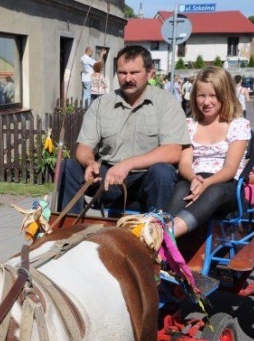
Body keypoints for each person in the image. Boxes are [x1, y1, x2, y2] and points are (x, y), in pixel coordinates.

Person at [59, 45, 189, 214]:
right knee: (69, 167)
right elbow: (84, 147)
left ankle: (158, 227)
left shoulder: (167, 103)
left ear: (150, 73)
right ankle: (69, 227)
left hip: (146, 180)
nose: (128, 79)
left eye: (134, 72)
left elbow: (173, 151)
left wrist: (127, 164)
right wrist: (90, 163)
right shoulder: (101, 104)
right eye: (122, 73)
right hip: (109, 177)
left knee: (163, 172)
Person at [165, 67, 251, 238]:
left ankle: (166, 234)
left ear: (225, 95)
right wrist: (193, 178)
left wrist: (206, 183)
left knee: (214, 191)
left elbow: (230, 169)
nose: (206, 102)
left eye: (213, 95)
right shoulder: (190, 124)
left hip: (226, 184)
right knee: (181, 187)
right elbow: (184, 163)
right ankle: (162, 226)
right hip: (195, 179)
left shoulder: (238, 125)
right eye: (201, 95)